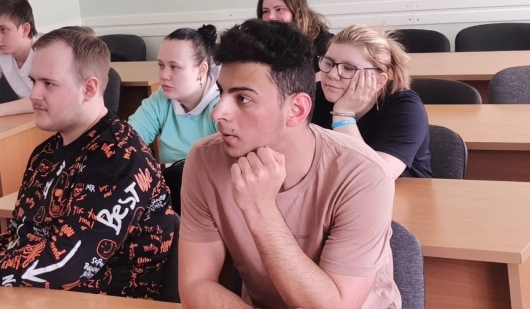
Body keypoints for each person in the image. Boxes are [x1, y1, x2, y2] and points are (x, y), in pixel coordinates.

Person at [179, 19, 400, 309]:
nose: (218, 112)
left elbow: (336, 306)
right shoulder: (205, 160)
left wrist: (260, 207)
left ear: (296, 109)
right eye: (222, 93)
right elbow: (195, 283)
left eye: (243, 98)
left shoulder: (364, 175)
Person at [0, 26, 177, 298]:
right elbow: (17, 232)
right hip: (35, 294)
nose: (33, 95)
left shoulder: (118, 159)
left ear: (89, 88)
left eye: (48, 83)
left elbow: (67, 265)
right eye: (33, 81)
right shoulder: (44, 154)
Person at [312, 24, 432, 179]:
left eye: (348, 68)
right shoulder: (313, 96)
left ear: (379, 80)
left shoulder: (406, 109)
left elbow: (375, 177)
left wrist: (343, 115)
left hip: (405, 192)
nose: (332, 74)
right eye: (328, 63)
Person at [128, 25, 220, 212]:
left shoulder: (222, 106)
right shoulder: (161, 99)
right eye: (161, 65)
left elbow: (224, 167)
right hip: (172, 197)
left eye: (174, 67)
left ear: (201, 70)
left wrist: (164, 169)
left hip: (211, 201)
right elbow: (126, 143)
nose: (163, 76)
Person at [257, 0, 333, 61]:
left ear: (296, 11)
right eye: (266, 11)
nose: (270, 17)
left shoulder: (324, 43)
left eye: (279, 9)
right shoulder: (260, 42)